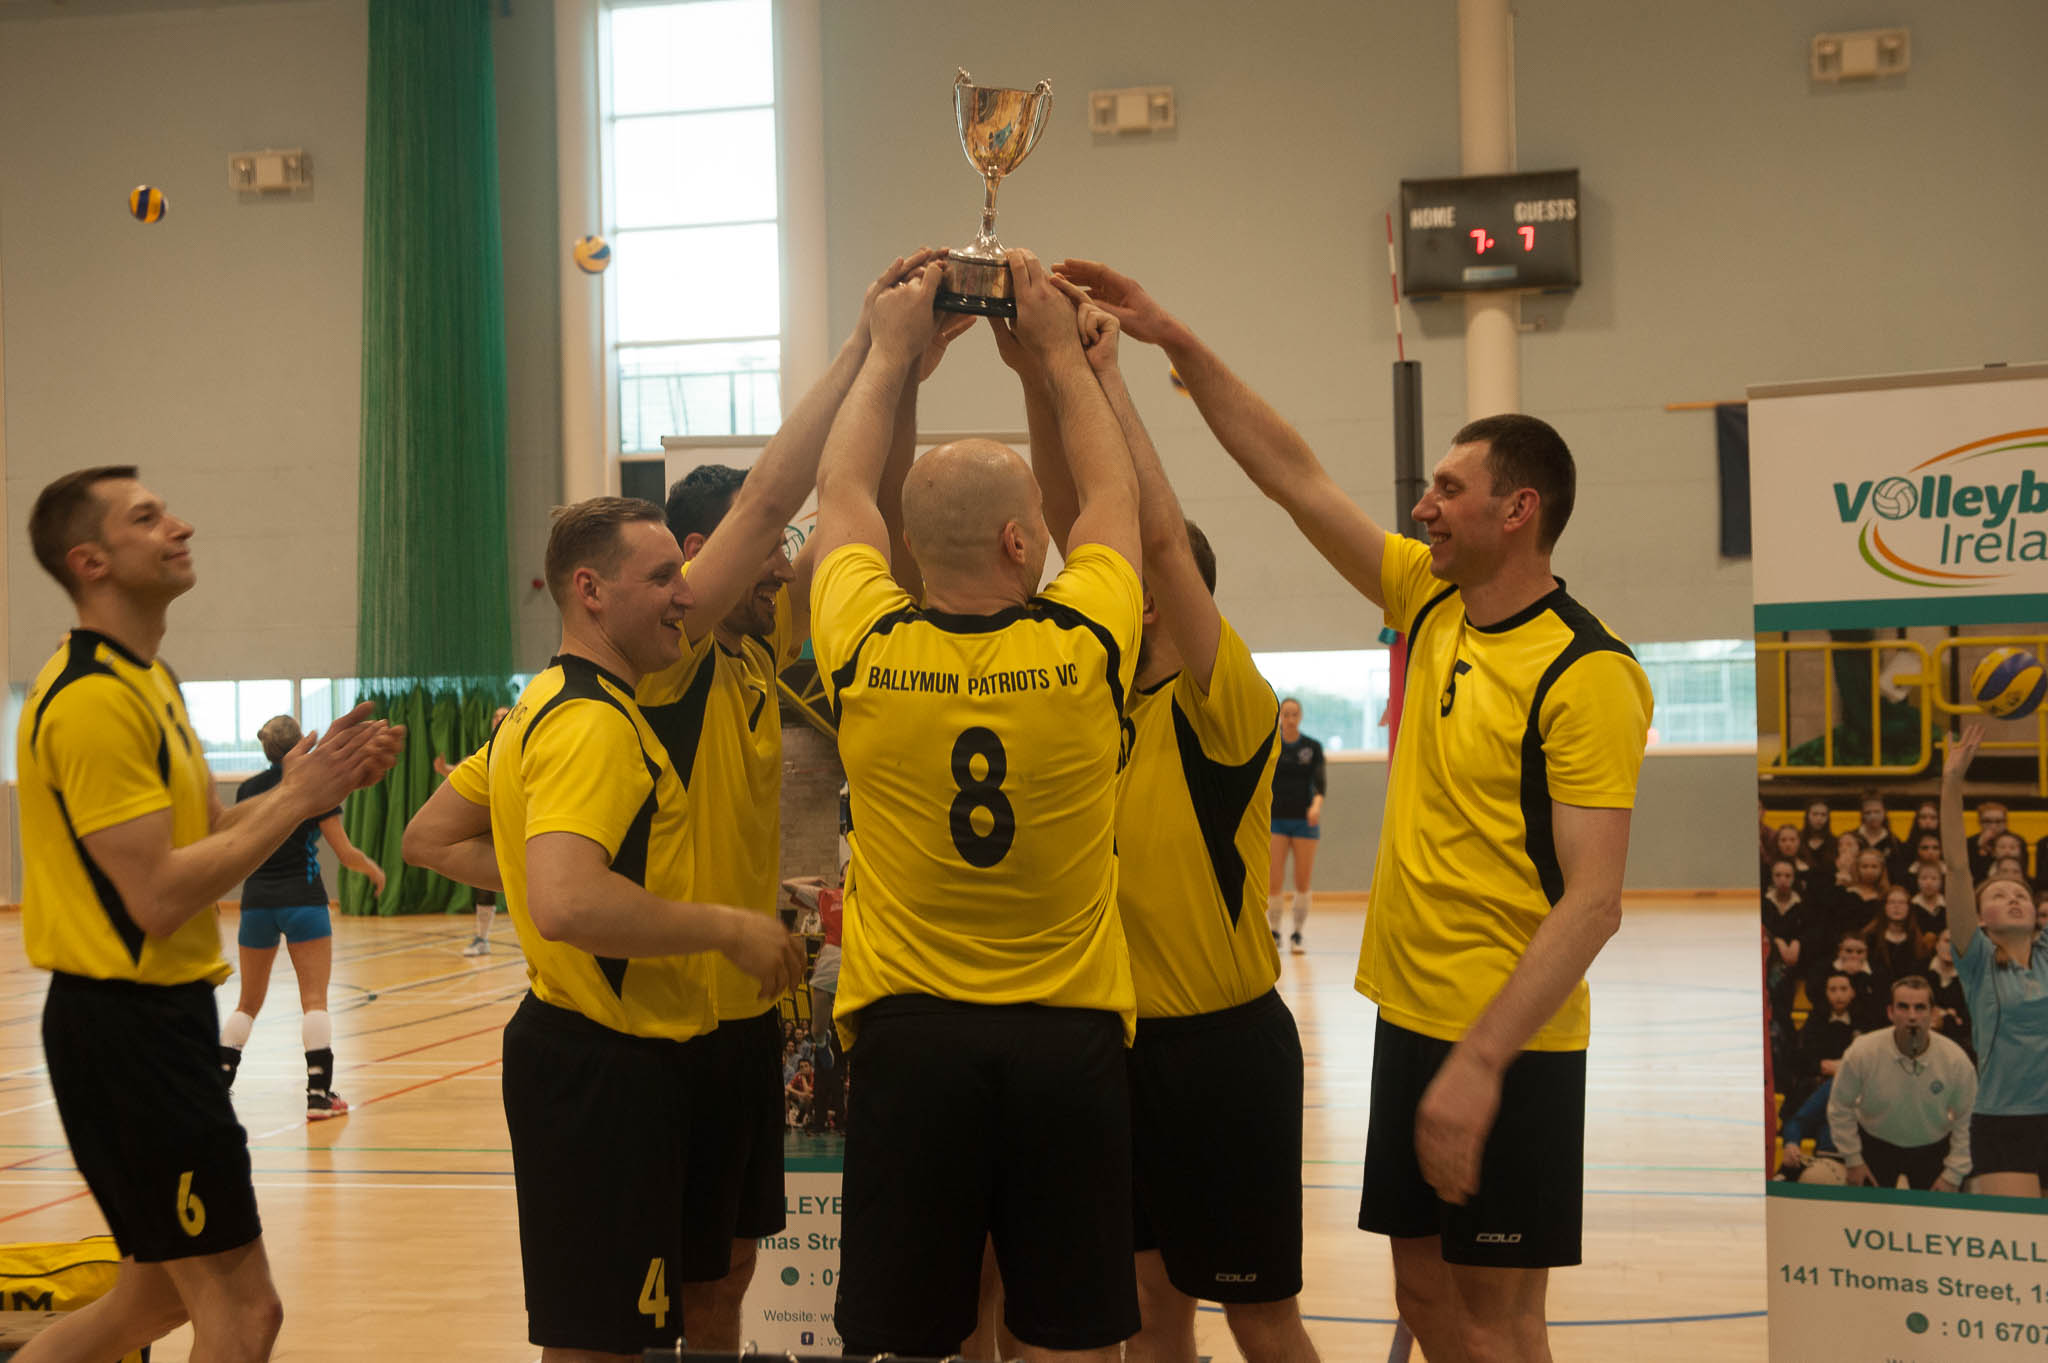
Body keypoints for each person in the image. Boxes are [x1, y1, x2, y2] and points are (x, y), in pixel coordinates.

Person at [1055, 259, 1653, 1362]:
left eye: (1447, 489)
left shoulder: (1588, 672)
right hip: (1409, 1015)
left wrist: (1482, 1060)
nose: (1421, 507)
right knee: (1424, 1302)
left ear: (1517, 509)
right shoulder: (1431, 597)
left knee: (1498, 1320)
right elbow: (1290, 475)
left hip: (1507, 1034)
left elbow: (1595, 901)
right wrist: (1163, 342)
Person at [627, 250, 965, 1348]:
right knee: (651, 1284)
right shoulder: (668, 650)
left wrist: (901, 378)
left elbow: (857, 517)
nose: (783, 565)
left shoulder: (758, 642)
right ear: (697, 557)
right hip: (669, 1012)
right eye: (764, 551)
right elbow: (784, 495)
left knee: (737, 1263)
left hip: (761, 996)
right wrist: (868, 344)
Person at [810, 252, 1143, 1361]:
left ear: (911, 549)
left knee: (914, 1339)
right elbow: (1112, 501)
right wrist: (1055, 358)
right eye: (1036, 520)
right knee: (1068, 1340)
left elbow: (842, 494)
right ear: (1019, 542)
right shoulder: (1088, 644)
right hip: (1066, 1042)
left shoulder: (863, 644)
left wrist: (890, 353)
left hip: (913, 1044)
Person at [13, 466, 401, 1363]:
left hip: (159, 1022)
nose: (179, 525)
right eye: (147, 517)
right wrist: (298, 795)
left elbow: (210, 837)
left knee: (148, 1302)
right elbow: (156, 896)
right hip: (128, 1032)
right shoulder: (93, 700)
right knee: (244, 1309)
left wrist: (305, 791)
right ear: (90, 561)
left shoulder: (148, 680)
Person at [998, 282, 1316, 1362]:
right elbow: (1071, 517)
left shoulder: (1225, 708)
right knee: (1143, 1299)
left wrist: (1102, 378)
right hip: (1113, 1045)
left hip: (1221, 1053)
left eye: (1125, 576)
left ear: (1154, 599)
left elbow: (1160, 541)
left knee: (1259, 1317)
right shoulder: (1098, 703)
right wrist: (1037, 374)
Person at [476, 496, 806, 1360]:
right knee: (607, 1334)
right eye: (663, 576)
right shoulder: (610, 706)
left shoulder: (584, 698)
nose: (685, 593)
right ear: (591, 590)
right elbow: (565, 901)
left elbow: (444, 842)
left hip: (679, 1037)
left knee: (698, 1289)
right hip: (616, 1049)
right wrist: (722, 925)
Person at [219, 714, 390, 1119]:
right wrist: (372, 869)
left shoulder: (248, 789)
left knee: (247, 1003)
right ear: (301, 743)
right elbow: (344, 853)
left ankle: (217, 1086)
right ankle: (318, 1095)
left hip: (256, 903)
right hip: (305, 901)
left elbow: (235, 844)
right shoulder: (315, 786)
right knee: (314, 1000)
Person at [1942, 726, 2048, 1198]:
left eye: (2021, 893)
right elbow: (1957, 867)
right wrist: (1952, 783)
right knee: (2021, 1232)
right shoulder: (1978, 961)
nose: (2014, 898)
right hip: (2006, 1120)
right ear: (1981, 919)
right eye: (2000, 895)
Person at [1827, 976, 1975, 1191]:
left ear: (1933, 1014)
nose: (1912, 1016)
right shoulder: (1862, 1051)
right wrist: (1852, 1159)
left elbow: (1969, 1118)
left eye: (1920, 1007)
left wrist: (1953, 1173)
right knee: (1865, 1210)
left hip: (1932, 1149)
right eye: (1903, 1007)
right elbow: (1840, 1105)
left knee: (1933, 1212)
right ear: (1890, 1012)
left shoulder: (1956, 1060)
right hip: (1875, 1146)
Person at [434, 705, 510, 955]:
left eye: (503, 715)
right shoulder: (483, 754)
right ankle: (482, 939)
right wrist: (444, 769)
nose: (498, 719)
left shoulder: (519, 748)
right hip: (491, 826)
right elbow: (459, 772)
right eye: (495, 716)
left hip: (515, 824)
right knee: (484, 886)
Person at [1268, 698, 1325, 955]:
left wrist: (1316, 806)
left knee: (1302, 880)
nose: (1290, 719)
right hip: (1276, 820)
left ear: (1300, 717)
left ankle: (1297, 934)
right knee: (1274, 880)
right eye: (1286, 714)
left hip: (1304, 822)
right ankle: (1274, 931)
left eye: (1294, 714)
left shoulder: (1312, 747)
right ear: (1280, 716)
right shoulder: (1271, 745)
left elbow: (1320, 784)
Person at [1863, 884, 1933, 989]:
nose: (1897, 907)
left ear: (1909, 908)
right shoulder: (1870, 938)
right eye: (1892, 902)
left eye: (1901, 903)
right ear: (1884, 907)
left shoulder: (1917, 941)